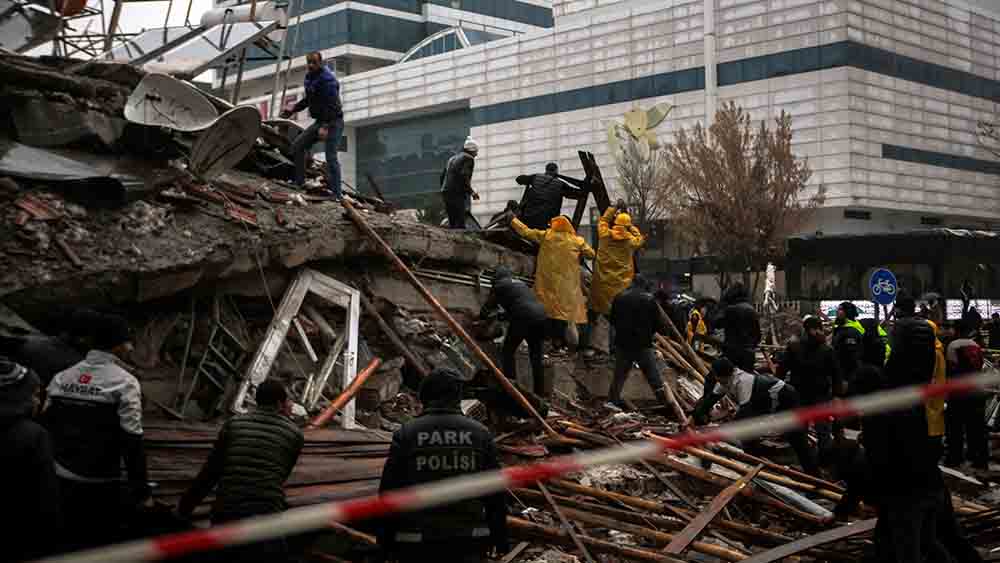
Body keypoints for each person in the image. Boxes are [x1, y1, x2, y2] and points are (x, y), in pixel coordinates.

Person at [43, 313, 150, 551]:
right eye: (129, 342)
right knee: (97, 543)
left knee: (64, 541)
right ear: (119, 345)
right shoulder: (126, 383)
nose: (131, 347)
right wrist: (141, 491)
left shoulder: (62, 377)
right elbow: (132, 441)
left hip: (59, 476)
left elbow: (46, 425)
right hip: (99, 482)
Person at [377, 368, 508, 563]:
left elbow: (389, 491)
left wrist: (386, 542)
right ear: (458, 397)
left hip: (417, 540)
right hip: (469, 539)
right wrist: (499, 538)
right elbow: (495, 495)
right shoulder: (480, 434)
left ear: (425, 396)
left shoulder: (407, 434)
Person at [177, 379, 304, 562]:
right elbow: (280, 476)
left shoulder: (234, 424)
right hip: (266, 510)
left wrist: (184, 508)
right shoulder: (294, 434)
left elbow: (210, 472)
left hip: (227, 509)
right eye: (287, 402)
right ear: (279, 404)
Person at [864, 292, 949, 563]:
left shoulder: (894, 392)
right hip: (929, 433)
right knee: (926, 528)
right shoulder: (933, 353)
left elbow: (879, 453)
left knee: (909, 533)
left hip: (907, 467)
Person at [821, 440, 981, 563]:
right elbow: (855, 493)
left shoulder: (862, 466)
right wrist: (837, 513)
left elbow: (857, 492)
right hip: (930, 488)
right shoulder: (866, 456)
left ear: (837, 462)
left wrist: (838, 514)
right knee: (942, 537)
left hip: (911, 499)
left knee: (913, 547)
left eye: (828, 469)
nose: (828, 474)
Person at [692, 357, 818, 475]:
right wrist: (696, 417)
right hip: (765, 405)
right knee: (748, 435)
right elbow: (709, 401)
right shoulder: (724, 382)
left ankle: (815, 478)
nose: (715, 378)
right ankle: (755, 464)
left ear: (723, 375)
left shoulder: (743, 381)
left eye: (715, 375)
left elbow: (744, 413)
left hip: (787, 401)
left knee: (797, 439)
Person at [1, 358, 62, 562]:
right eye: (35, 395)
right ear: (16, 396)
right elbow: (46, 498)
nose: (38, 402)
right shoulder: (33, 435)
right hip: (19, 535)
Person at [511, 215, 595, 351]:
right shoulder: (577, 241)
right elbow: (591, 254)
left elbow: (525, 232)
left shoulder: (546, 236)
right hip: (567, 287)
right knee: (565, 317)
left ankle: (548, 341)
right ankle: (567, 345)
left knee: (546, 312)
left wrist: (513, 221)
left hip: (546, 285)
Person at [281, 51, 345, 198]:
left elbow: (334, 107)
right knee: (297, 146)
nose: (310, 65)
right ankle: (299, 182)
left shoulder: (328, 81)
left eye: (314, 62)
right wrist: (293, 109)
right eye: (308, 62)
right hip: (320, 121)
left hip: (333, 122)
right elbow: (308, 99)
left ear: (320, 62)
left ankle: (337, 195)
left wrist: (325, 127)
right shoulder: (310, 77)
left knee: (331, 157)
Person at [607, 275, 675, 412]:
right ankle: (665, 404)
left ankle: (611, 401)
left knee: (619, 375)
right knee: (653, 376)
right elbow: (658, 323)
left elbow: (612, 319)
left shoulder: (619, 297)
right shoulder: (649, 299)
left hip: (623, 343)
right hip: (643, 344)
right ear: (644, 285)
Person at [586, 202, 645, 354]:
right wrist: (630, 225)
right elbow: (640, 238)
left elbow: (603, 220)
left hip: (602, 284)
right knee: (616, 319)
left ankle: (588, 345)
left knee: (596, 314)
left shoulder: (605, 235)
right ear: (627, 227)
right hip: (621, 287)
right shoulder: (631, 242)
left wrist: (613, 207)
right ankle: (615, 350)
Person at [481, 266, 548, 397]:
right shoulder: (521, 284)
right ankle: (540, 395)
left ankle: (512, 391)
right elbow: (519, 305)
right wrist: (501, 316)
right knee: (536, 357)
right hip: (541, 316)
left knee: (508, 352)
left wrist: (481, 319)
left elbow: (486, 309)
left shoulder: (499, 285)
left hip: (523, 317)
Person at [775, 316, 838, 452]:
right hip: (820, 394)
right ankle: (824, 461)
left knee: (801, 430)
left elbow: (782, 369)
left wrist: (778, 387)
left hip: (799, 393)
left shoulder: (794, 346)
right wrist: (836, 394)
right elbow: (836, 373)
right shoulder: (827, 349)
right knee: (823, 431)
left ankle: (805, 460)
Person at [945, 317, 988, 470]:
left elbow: (951, 369)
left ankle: (954, 458)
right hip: (976, 391)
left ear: (956, 330)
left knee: (954, 428)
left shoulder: (953, 345)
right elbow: (980, 366)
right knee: (976, 428)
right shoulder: (975, 345)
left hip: (959, 393)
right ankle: (979, 459)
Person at [515, 162, 586, 230]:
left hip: (528, 217)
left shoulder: (536, 177)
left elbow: (519, 179)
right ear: (556, 171)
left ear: (546, 170)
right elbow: (578, 195)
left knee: (531, 190)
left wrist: (526, 178)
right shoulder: (560, 184)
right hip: (546, 222)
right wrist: (585, 186)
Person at [716, 283, 761, 373]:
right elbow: (757, 335)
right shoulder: (751, 309)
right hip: (748, 354)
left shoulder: (730, 310)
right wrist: (752, 346)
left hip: (732, 353)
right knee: (747, 382)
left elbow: (717, 323)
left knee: (732, 382)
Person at [440, 138, 480, 229]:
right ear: (472, 151)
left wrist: (443, 190)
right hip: (456, 194)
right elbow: (464, 176)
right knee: (460, 222)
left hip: (446, 192)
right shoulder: (468, 159)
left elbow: (442, 176)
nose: (476, 155)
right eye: (476, 152)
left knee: (452, 222)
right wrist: (472, 192)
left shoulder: (452, 158)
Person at [926, 320, 948, 461]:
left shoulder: (933, 352)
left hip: (932, 396)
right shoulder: (937, 349)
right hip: (936, 396)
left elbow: (932, 376)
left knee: (932, 425)